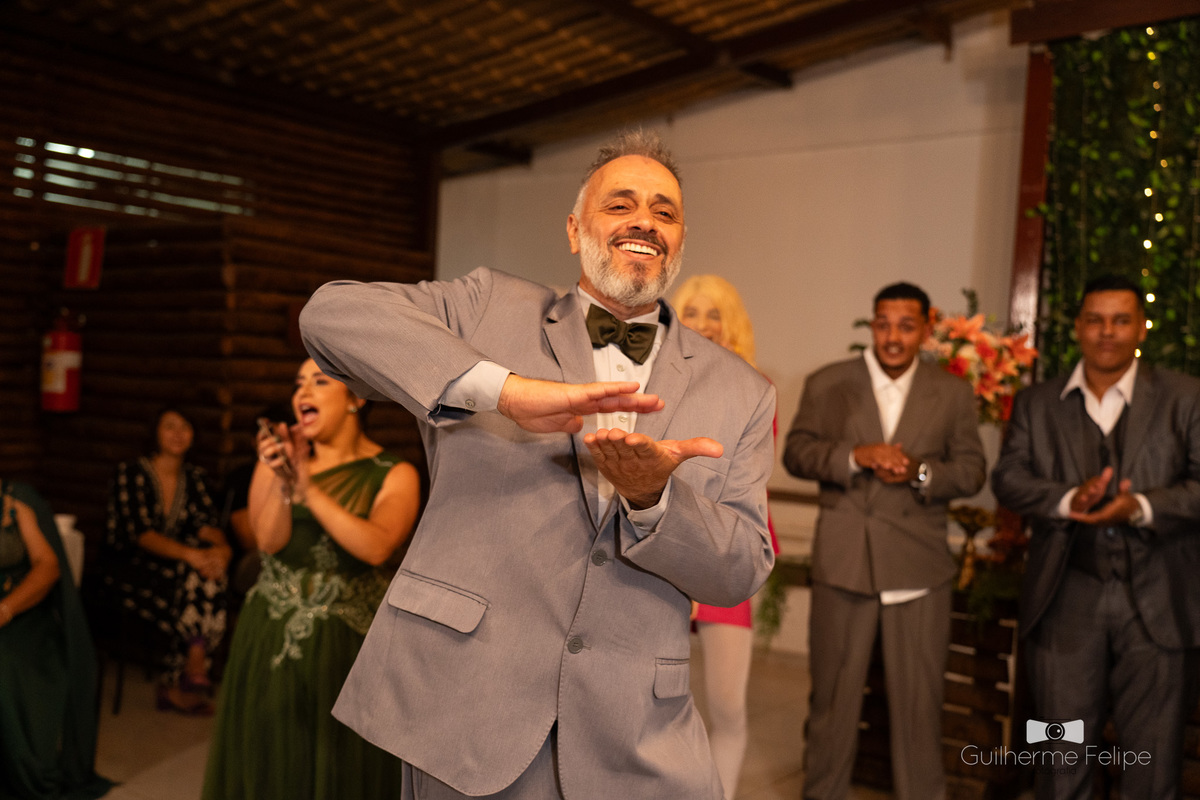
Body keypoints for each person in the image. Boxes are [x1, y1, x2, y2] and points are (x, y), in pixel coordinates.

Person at [299, 130, 776, 799]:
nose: (644, 220)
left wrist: (655, 501)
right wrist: (503, 391)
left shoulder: (742, 390)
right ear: (575, 229)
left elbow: (742, 569)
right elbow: (330, 315)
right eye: (621, 204)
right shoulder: (487, 306)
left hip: (635, 739)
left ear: (680, 241)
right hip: (466, 707)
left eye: (664, 212)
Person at [992, 274, 1200, 799]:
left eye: (1121, 320)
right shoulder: (1037, 402)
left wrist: (1142, 507)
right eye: (1095, 320)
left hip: (1159, 604)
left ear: (1141, 328)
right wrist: (1068, 499)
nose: (1107, 332)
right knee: (1059, 760)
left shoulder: (1186, 397)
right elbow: (1008, 478)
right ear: (1078, 327)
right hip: (1064, 600)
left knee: (1152, 767)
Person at [783, 282, 986, 800]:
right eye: (883, 324)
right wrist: (857, 456)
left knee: (920, 706)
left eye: (906, 326)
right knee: (831, 702)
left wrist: (920, 471)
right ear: (871, 325)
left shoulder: (953, 392)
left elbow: (971, 470)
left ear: (927, 328)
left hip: (919, 566)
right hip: (844, 561)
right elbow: (797, 453)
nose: (892, 337)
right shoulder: (829, 382)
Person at [201, 357, 420, 800]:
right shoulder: (275, 461)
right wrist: (285, 482)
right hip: (269, 629)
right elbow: (268, 541)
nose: (302, 392)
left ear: (356, 397)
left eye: (319, 381)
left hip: (346, 641)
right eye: (298, 383)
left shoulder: (396, 473)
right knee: (267, 751)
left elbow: (378, 546)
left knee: (334, 762)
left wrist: (310, 491)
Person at [671, 273, 779, 800]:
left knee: (727, 707)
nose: (703, 323)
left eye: (715, 314)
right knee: (652, 702)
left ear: (731, 325)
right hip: (659, 549)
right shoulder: (655, 383)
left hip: (725, 551)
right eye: (692, 312)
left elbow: (746, 483)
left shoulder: (754, 390)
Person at [104, 406, 232, 714]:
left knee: (208, 577)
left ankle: (188, 666)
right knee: (193, 581)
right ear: (156, 432)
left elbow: (207, 526)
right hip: (129, 566)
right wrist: (194, 556)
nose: (178, 434)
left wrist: (221, 553)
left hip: (176, 567)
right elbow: (141, 535)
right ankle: (187, 673)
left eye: (185, 427)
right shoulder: (131, 473)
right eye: (170, 426)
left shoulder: (195, 477)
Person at [0, 478, 112, 800]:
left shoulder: (16, 501)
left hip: (22, 610)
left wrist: (6, 610)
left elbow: (48, 567)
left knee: (6, 661)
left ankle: (21, 767)